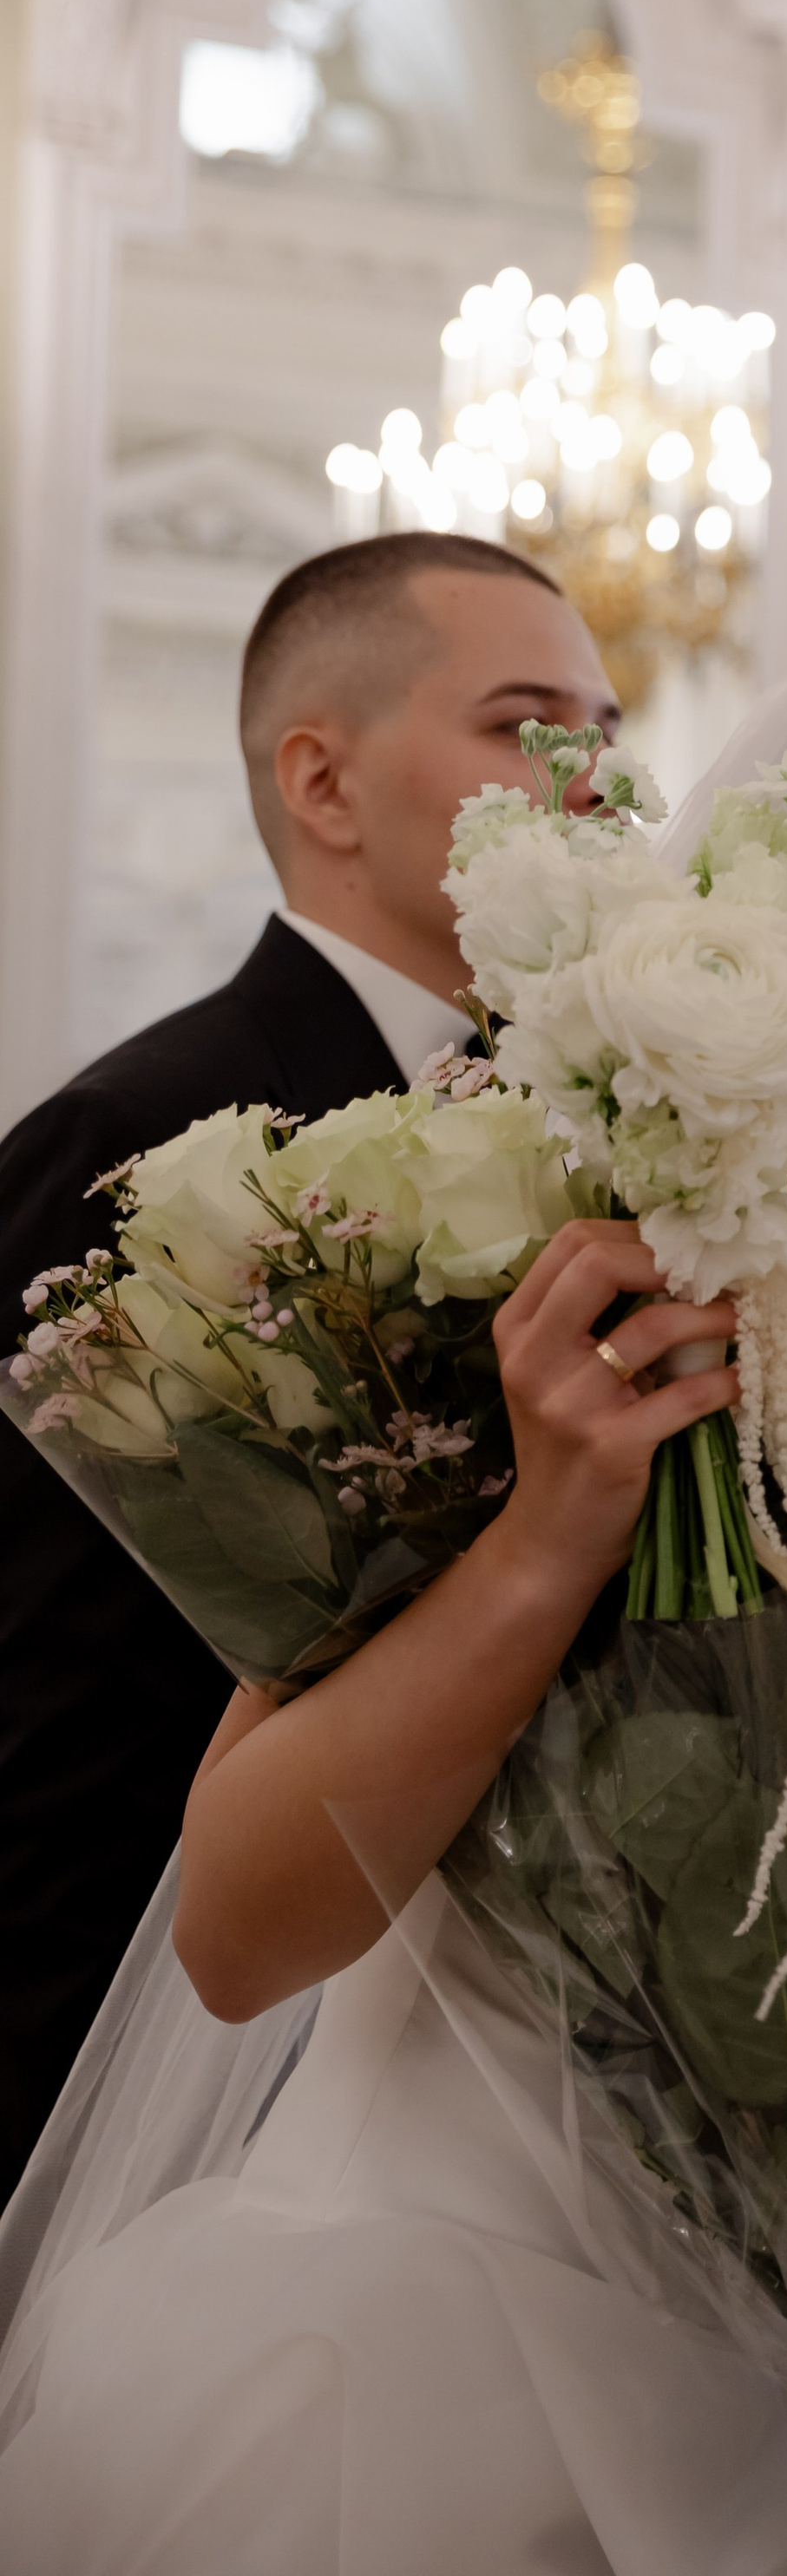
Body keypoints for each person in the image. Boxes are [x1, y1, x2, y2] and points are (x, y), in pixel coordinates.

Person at [0, 656, 787, 2571]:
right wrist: (549, 1536)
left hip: (761, 2409)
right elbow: (239, 1932)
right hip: (424, 2398)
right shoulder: (609, 1311)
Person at [0, 531, 619, 2200]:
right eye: (525, 724)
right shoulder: (134, 1143)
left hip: (489, 2100)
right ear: (323, 782)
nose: (592, 778)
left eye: (607, 730)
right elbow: (54, 1731)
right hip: (173, 2098)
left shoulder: (590, 1139)